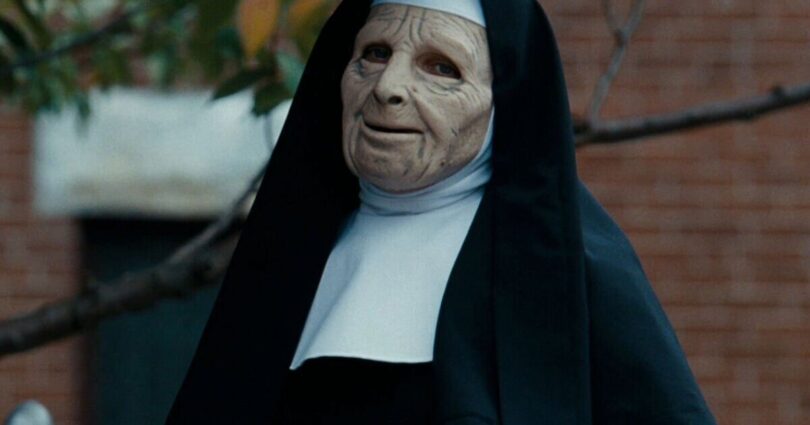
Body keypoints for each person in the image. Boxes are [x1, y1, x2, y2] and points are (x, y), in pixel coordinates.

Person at [166, 1, 717, 424]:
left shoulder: (577, 270)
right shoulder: (287, 262)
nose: (388, 88)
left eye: (441, 67)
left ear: (503, 101)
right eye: (375, 54)